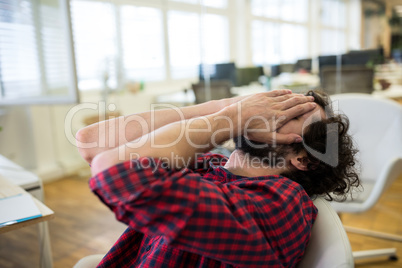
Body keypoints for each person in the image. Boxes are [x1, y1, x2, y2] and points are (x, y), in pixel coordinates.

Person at [75, 89, 359, 268]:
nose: (276, 109)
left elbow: (114, 169)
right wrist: (226, 108)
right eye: (281, 101)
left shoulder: (282, 203)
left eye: (294, 112)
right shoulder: (213, 164)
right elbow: (92, 143)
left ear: (304, 159)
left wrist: (230, 120)